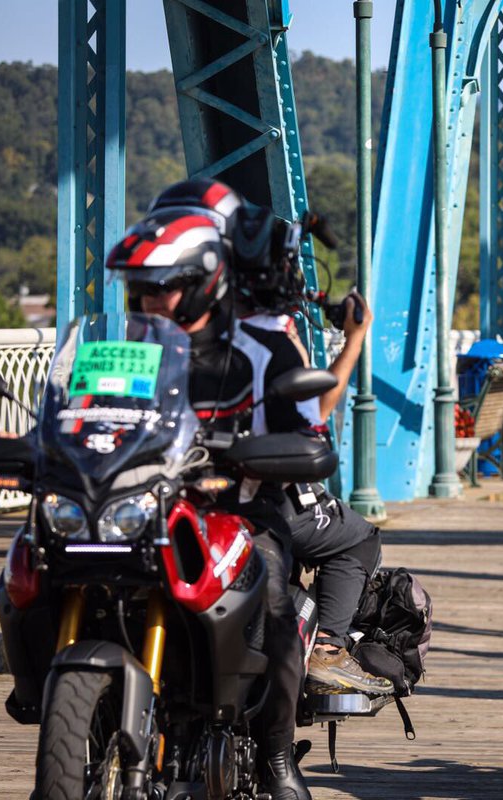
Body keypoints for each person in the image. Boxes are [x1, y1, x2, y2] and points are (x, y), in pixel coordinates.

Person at [149, 179, 391, 698]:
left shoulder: (156, 333)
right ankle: (326, 645)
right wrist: (354, 340)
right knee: (359, 538)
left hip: (156, 486)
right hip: (244, 496)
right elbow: (312, 417)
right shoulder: (267, 336)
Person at [106, 205, 317, 799]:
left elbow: (308, 435)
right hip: (142, 508)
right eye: (138, 287)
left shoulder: (261, 350)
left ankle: (276, 756)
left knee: (277, 604)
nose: (147, 300)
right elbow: (84, 419)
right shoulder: (118, 350)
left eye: (162, 287)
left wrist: (278, 451)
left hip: (239, 510)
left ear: (201, 282)